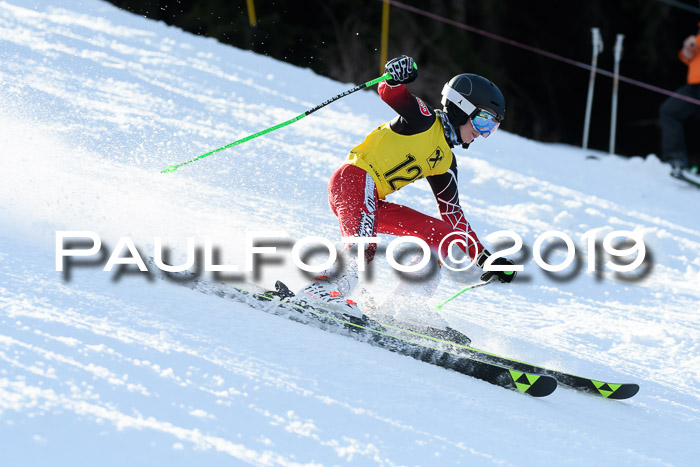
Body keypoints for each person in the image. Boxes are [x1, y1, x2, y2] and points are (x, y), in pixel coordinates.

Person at [296, 55, 516, 320]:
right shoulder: (424, 120)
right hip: (352, 180)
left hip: (373, 200)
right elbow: (391, 93)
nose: (483, 132)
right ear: (461, 107)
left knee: (442, 234)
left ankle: (401, 308)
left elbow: (454, 216)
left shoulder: (445, 162)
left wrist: (484, 259)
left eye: (492, 127)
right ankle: (321, 289)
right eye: (482, 121)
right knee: (364, 247)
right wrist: (395, 77)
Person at [659, 23, 700, 177]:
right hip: (695, 85)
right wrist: (687, 52)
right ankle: (675, 160)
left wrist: (696, 41)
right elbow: (693, 59)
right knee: (670, 111)